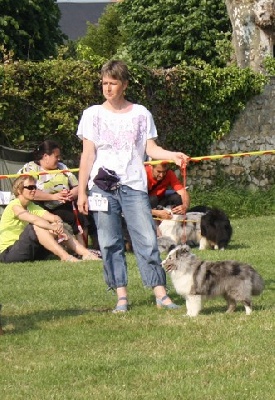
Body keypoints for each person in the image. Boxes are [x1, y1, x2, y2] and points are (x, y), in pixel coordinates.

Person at [76, 59, 189, 313]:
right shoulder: (91, 115)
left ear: (124, 85)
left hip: (134, 185)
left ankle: (161, 294)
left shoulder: (141, 113)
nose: (107, 88)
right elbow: (87, 156)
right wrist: (82, 191)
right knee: (109, 242)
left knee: (148, 239)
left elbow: (151, 149)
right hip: (101, 188)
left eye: (113, 83)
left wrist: (172, 155)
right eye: (104, 83)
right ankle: (121, 298)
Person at [0, 176, 101, 263]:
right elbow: (34, 220)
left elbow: (53, 217)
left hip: (28, 249)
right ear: (19, 190)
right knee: (36, 227)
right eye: (30, 187)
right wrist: (52, 226)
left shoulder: (31, 205)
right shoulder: (14, 205)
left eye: (35, 187)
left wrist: (59, 224)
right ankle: (65, 257)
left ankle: (86, 254)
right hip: (9, 252)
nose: (34, 190)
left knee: (56, 229)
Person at [17, 140, 92, 248]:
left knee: (80, 217)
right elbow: (28, 192)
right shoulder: (30, 168)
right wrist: (53, 196)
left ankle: (83, 251)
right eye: (56, 156)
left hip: (60, 205)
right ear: (46, 156)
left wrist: (71, 193)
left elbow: (77, 186)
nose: (59, 159)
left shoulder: (62, 167)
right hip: (37, 206)